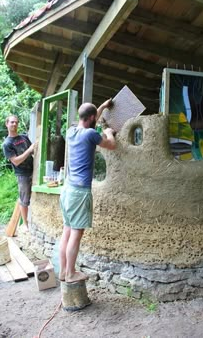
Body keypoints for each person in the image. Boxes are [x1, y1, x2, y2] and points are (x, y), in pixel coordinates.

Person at [59, 99, 116, 283]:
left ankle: (62, 271)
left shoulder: (71, 131)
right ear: (91, 119)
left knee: (66, 232)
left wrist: (103, 106)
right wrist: (108, 133)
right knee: (76, 233)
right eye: (95, 117)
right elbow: (111, 145)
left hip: (67, 190)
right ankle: (70, 273)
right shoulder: (92, 134)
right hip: (79, 193)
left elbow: (92, 118)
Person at [2, 115, 36, 231]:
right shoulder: (7, 144)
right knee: (24, 199)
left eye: (16, 122)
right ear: (7, 124)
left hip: (34, 169)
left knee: (34, 197)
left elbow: (34, 150)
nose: (14, 124)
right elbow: (16, 161)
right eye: (12, 122)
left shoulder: (24, 137)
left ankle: (31, 222)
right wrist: (29, 151)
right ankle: (25, 225)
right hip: (22, 174)